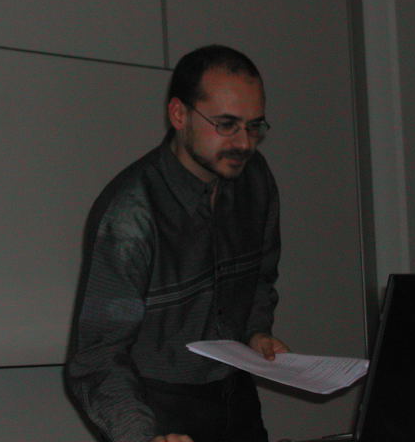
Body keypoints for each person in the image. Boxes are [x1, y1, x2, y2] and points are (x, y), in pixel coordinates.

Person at [65, 45, 289, 442]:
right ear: (179, 114)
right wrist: (141, 436)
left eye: (254, 126)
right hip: (157, 406)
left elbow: (260, 277)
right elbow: (98, 356)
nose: (244, 144)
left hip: (236, 392)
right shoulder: (131, 213)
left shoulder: (255, 180)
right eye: (226, 124)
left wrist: (256, 332)